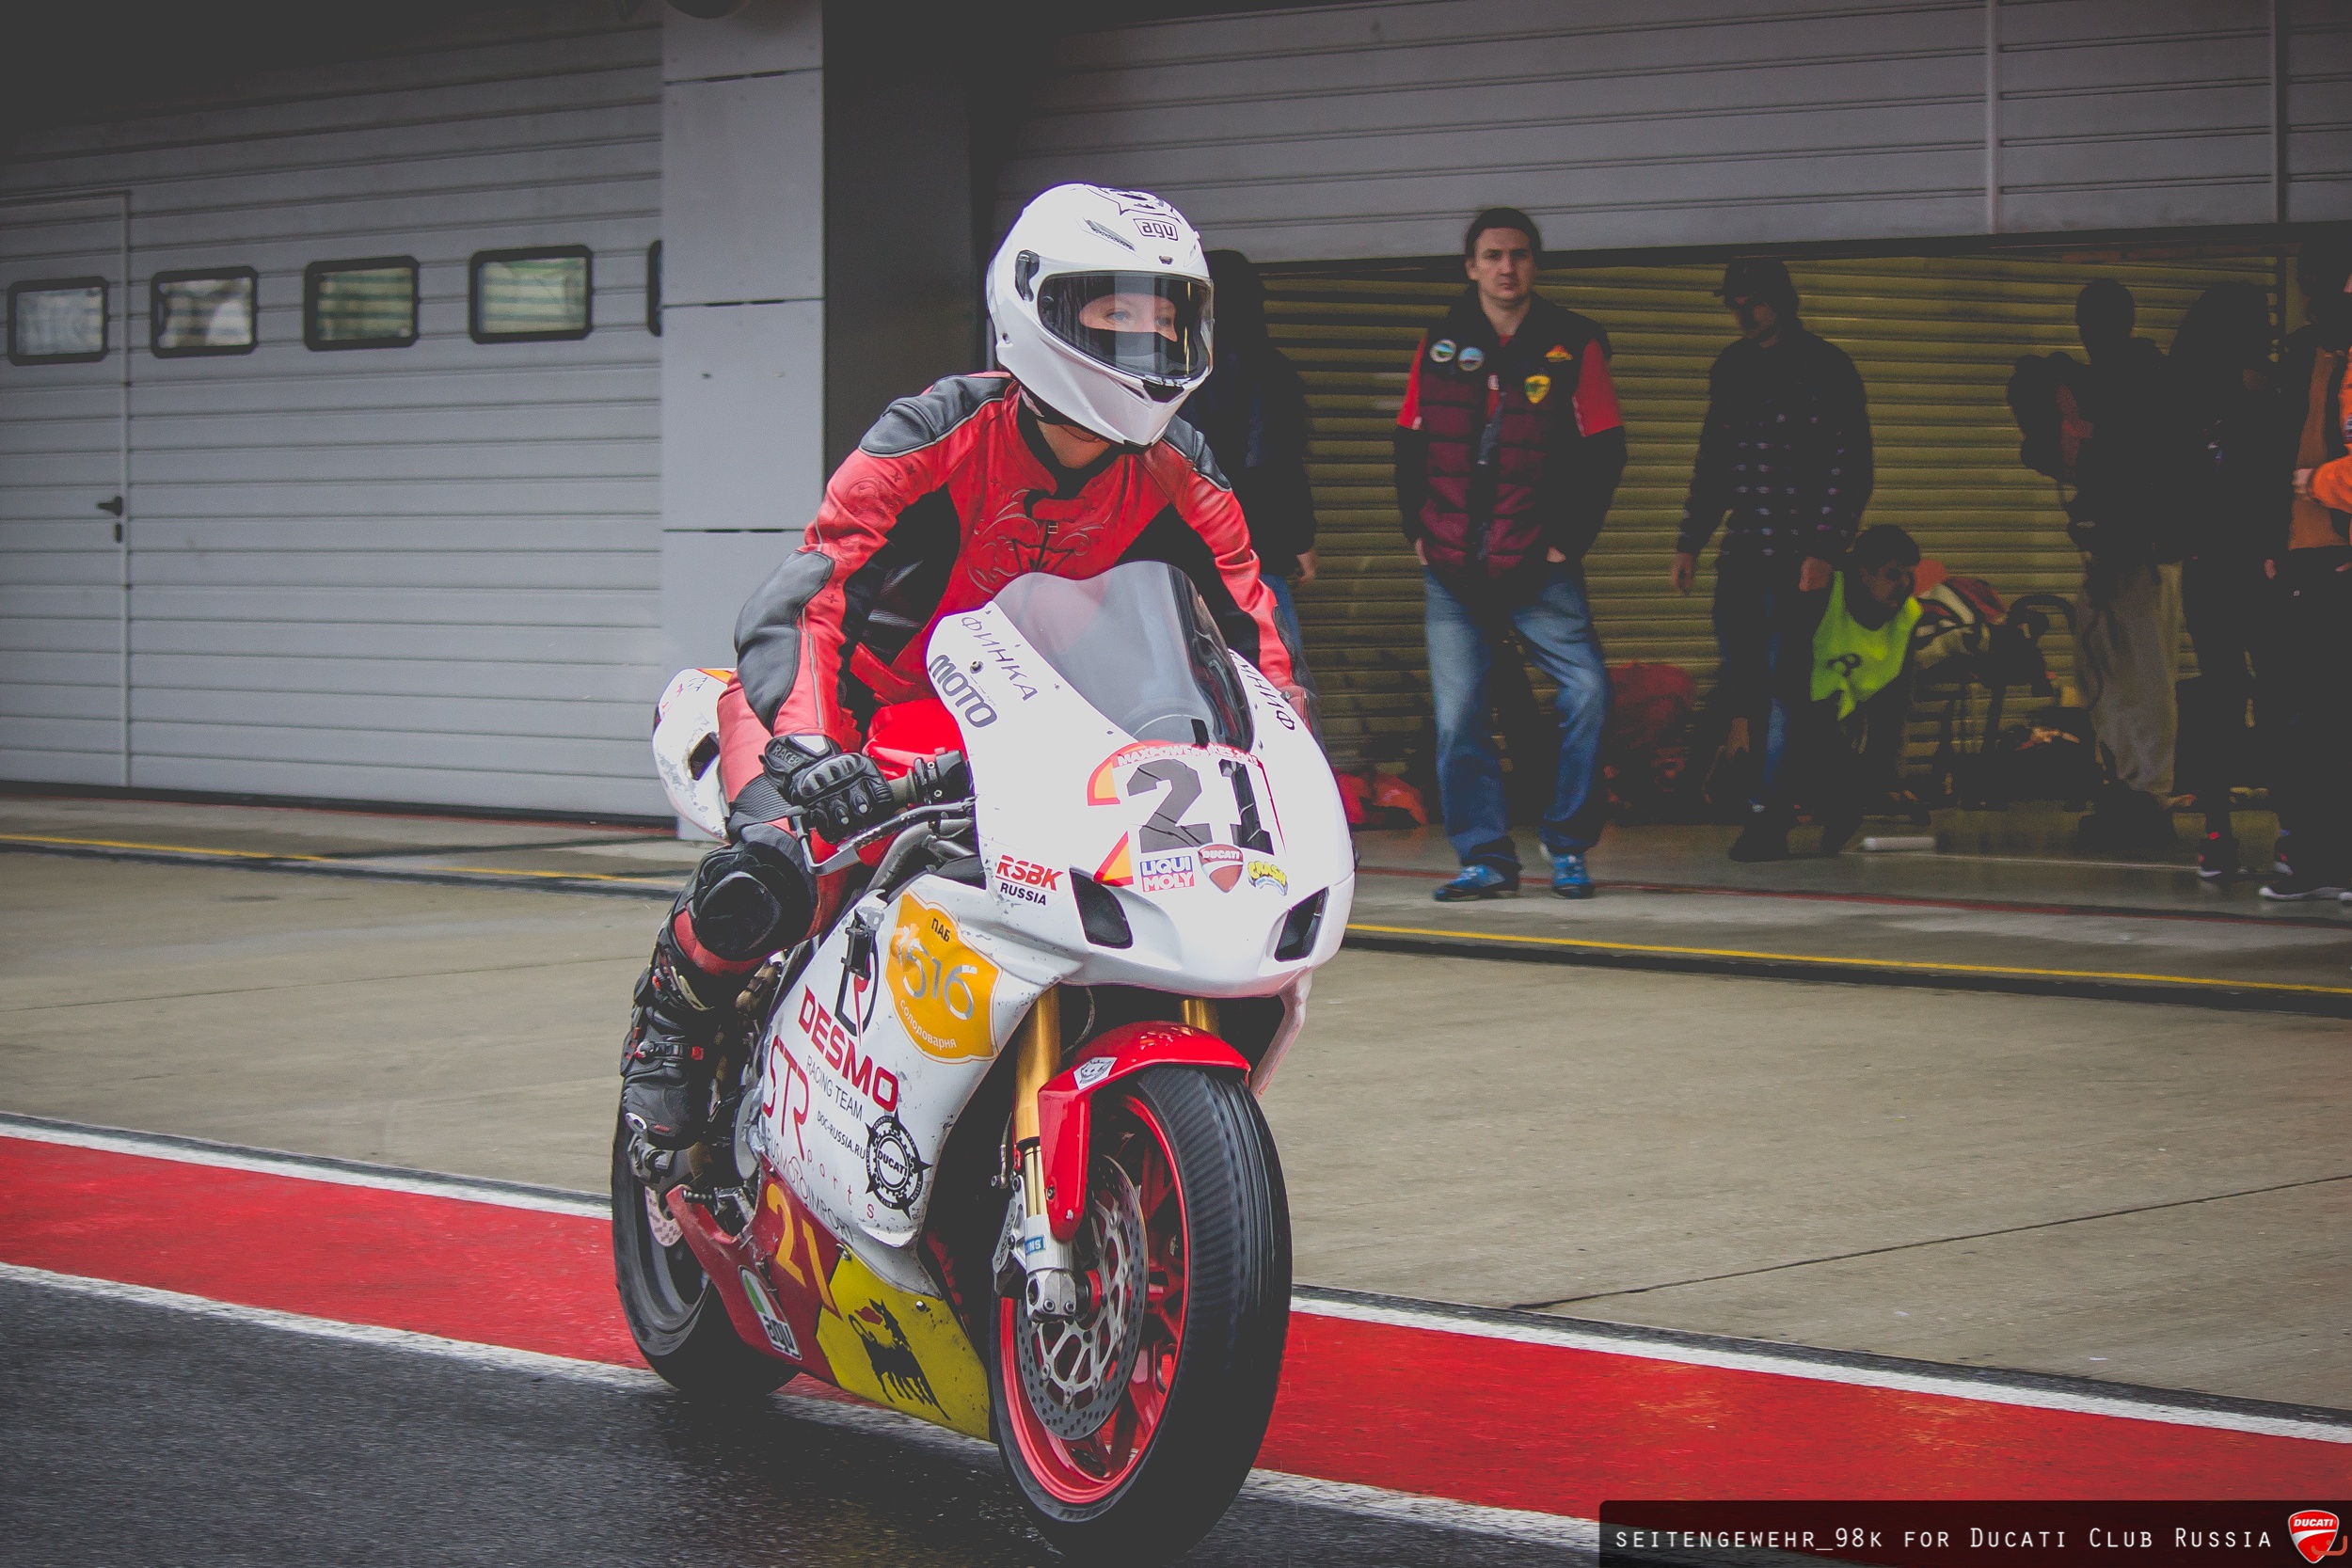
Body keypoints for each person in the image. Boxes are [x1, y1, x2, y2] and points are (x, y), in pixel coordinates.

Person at [618, 183, 1304, 1171]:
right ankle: (671, 1026)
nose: (1147, 340)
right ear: (1036, 308)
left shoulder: (1178, 467)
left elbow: (1250, 636)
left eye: (1166, 317)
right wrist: (807, 745)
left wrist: (1280, 766)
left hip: (1035, 739)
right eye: (1117, 312)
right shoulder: (938, 428)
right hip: (850, 719)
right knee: (777, 866)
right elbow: (814, 589)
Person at [1393, 206, 1628, 900]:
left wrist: (1567, 540)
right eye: (1493, 256)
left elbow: (1606, 449)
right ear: (1471, 267)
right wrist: (1416, 531)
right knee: (1459, 717)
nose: (1506, 267)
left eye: (1519, 255)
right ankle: (1485, 858)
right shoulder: (1439, 341)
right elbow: (1410, 440)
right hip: (1454, 567)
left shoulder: (1574, 343)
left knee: (1589, 691)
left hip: (1537, 565)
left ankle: (1569, 844)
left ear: (1535, 265)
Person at [1670, 257, 1875, 863]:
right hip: (1742, 553)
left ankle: (1769, 814)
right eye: (1733, 304)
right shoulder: (1731, 368)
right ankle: (1840, 789)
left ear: (1781, 300)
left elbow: (1849, 464)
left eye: (1752, 302)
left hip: (1796, 555)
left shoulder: (1826, 368)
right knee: (1751, 688)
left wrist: (1824, 548)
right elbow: (1714, 459)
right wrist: (1690, 541)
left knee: (1784, 686)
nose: (1742, 314)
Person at [2055, 280, 2196, 856]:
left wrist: (2129, 543)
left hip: (2143, 552)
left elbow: (2149, 469)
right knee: (2104, 673)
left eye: (2096, 322)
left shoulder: (2147, 381)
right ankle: (2125, 781)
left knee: (2147, 674)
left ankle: (2150, 793)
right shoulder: (2104, 383)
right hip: (2109, 548)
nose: (2090, 334)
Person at [2169, 282, 2286, 880]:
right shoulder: (2264, 390)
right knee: (2277, 692)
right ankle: (2291, 829)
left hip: (2207, 565)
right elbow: (2273, 477)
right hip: (2256, 564)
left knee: (2222, 693)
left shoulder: (2188, 393)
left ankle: (2217, 831)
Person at [1727, 524, 1921, 862]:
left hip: (1825, 712)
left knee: (1847, 786)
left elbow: (1893, 706)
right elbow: (1766, 661)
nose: (1904, 585)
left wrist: (1886, 777)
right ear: (1863, 573)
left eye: (1909, 575)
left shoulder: (1907, 617)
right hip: (1784, 699)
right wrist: (1741, 717)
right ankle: (1767, 820)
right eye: (1893, 575)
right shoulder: (1819, 592)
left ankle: (1836, 806)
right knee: (1779, 747)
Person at [2261, 237, 2352, 900]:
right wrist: (2270, 538)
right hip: (2301, 561)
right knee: (2303, 714)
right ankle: (2310, 851)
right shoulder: (2301, 357)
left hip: (2339, 554)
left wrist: (2319, 483)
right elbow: (2266, 452)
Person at [1193, 250, 1319, 691]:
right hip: (1249, 550)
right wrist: (1300, 540)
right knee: (1276, 682)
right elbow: (1273, 464)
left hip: (1175, 552)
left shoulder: (1169, 368)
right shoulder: (1267, 368)